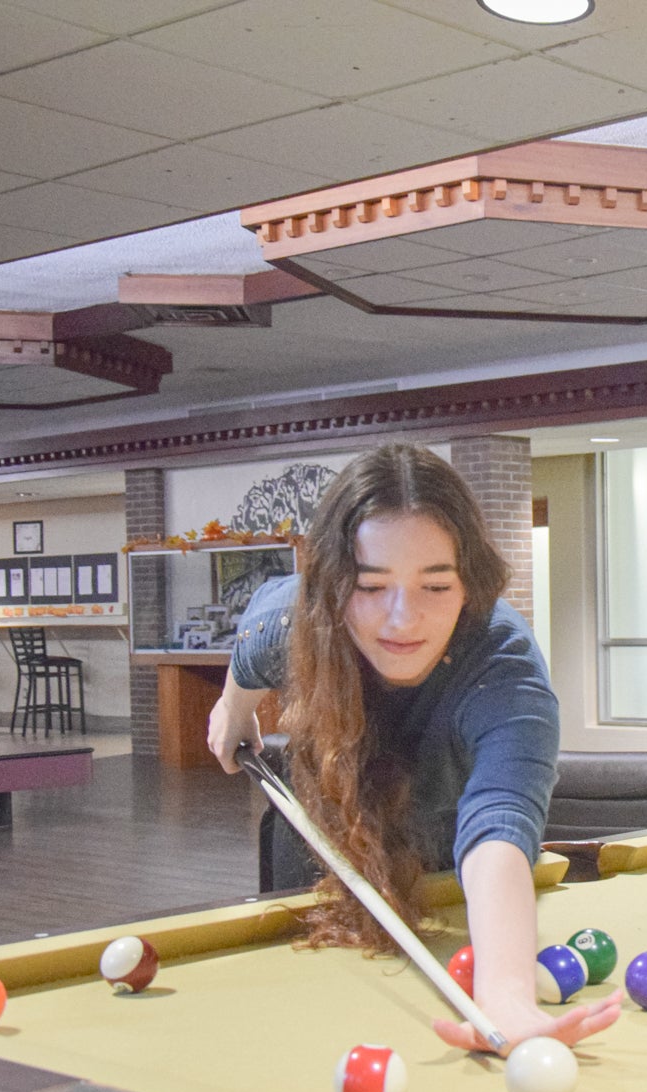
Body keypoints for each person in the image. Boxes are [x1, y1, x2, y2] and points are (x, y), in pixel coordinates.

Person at [207, 444, 618, 1055]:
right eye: (372, 586)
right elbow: (250, 655)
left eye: (435, 584)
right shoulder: (293, 624)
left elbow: (501, 826)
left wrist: (505, 994)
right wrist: (232, 712)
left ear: (471, 583)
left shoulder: (504, 670)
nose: (403, 618)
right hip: (326, 830)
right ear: (334, 585)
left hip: (446, 847)